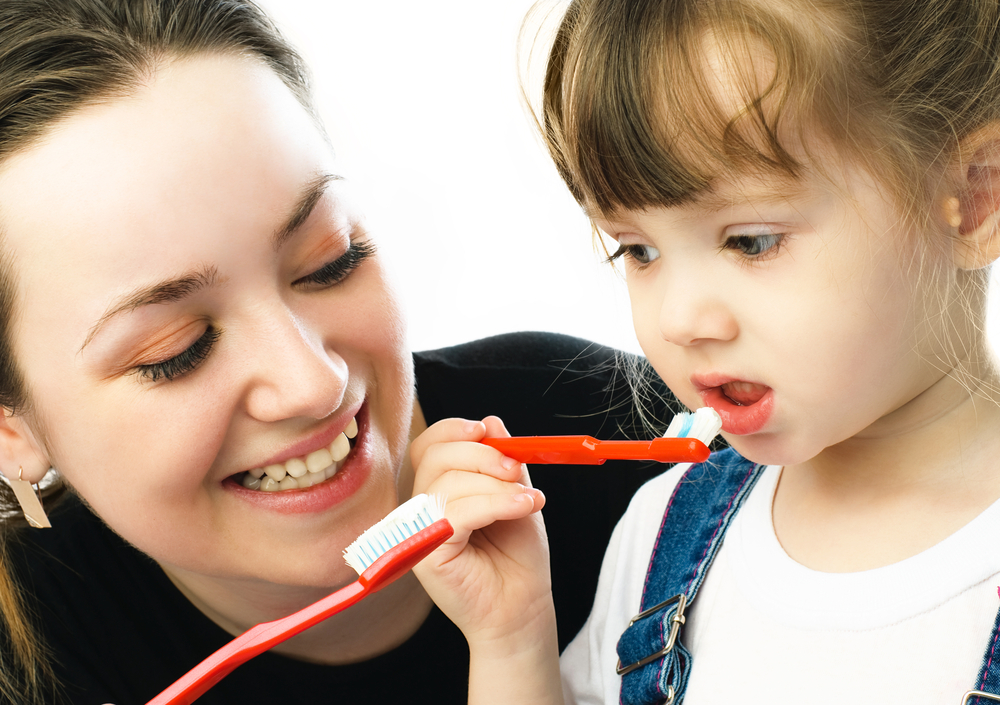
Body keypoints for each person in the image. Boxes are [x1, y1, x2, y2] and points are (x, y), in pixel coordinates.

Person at [0, 2, 680, 704]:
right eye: (176, 351)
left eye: (332, 260)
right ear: (9, 427)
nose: (313, 383)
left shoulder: (636, 450)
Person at [412, 0, 1000, 703]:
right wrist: (510, 640)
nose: (679, 318)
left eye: (750, 240)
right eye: (639, 250)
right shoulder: (660, 530)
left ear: (976, 197)